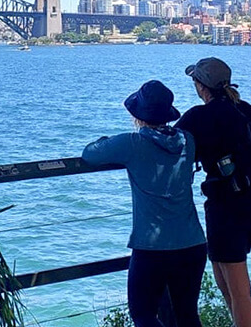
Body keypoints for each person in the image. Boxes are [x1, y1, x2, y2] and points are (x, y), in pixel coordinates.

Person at [82, 80, 207, 327]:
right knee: (187, 316)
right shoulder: (187, 140)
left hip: (152, 247)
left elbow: (90, 154)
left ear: (138, 115)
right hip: (192, 243)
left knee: (143, 315)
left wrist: (106, 139)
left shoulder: (132, 143)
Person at [175, 57, 251, 327]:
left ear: (200, 86)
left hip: (228, 208)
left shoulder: (199, 116)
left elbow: (169, 144)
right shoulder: (247, 110)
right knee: (223, 276)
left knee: (238, 290)